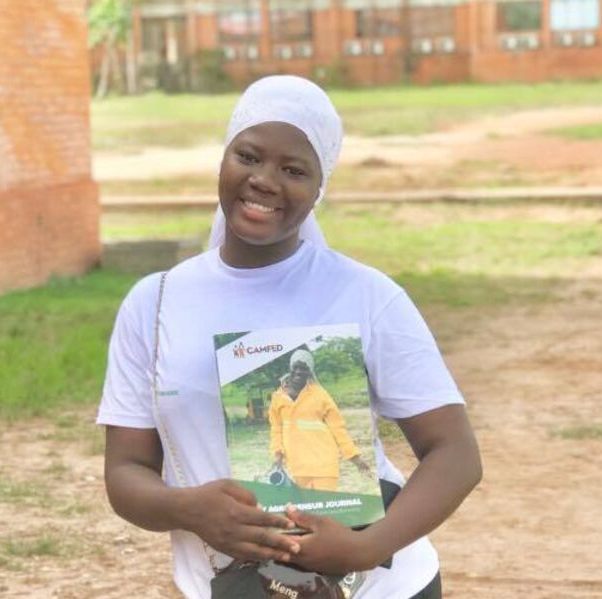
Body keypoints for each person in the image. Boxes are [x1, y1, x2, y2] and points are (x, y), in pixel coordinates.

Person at [99, 75, 482, 599]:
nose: (264, 180)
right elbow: (126, 470)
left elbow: (455, 454)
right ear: (223, 159)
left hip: (377, 587)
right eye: (249, 156)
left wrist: (364, 549)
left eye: (294, 169)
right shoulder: (155, 304)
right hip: (237, 587)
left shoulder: (367, 295)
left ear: (319, 188)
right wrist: (188, 508)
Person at [269, 348, 371, 492]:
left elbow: (338, 428)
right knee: (307, 511)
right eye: (295, 367)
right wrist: (277, 456)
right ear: (290, 367)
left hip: (324, 465)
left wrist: (355, 458)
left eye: (303, 368)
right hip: (298, 466)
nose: (298, 372)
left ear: (310, 371)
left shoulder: (320, 395)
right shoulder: (277, 397)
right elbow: (276, 429)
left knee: (326, 510)